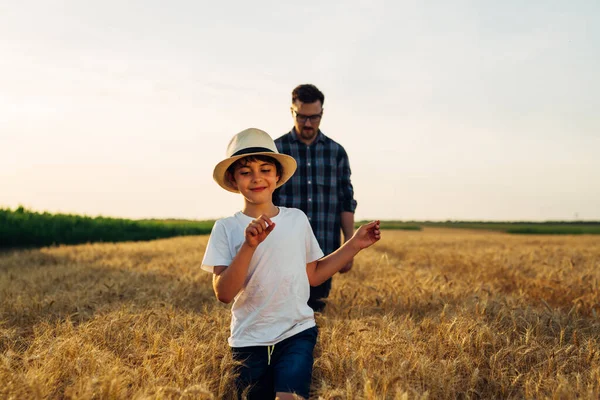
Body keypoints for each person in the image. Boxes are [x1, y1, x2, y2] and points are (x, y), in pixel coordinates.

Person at [202, 128, 380, 400]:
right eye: (246, 172)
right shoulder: (225, 228)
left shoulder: (296, 219)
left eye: (265, 169)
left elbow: (315, 275)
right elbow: (224, 293)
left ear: (277, 177)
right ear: (233, 179)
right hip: (248, 339)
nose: (257, 178)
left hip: (297, 332)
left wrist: (354, 243)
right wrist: (249, 246)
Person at [274, 83, 357, 312]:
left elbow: (346, 199)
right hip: (284, 249)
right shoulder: (275, 151)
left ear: (322, 114)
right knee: (284, 313)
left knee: (317, 314)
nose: (308, 123)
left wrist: (349, 245)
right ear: (292, 111)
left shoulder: (336, 152)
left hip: (324, 250)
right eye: (301, 117)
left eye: (314, 117)